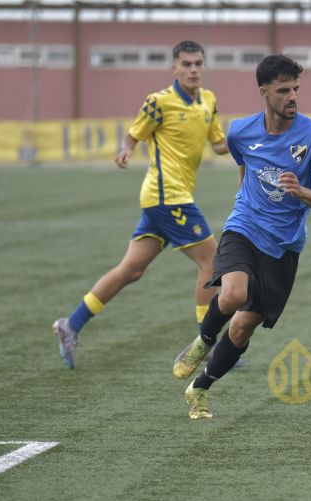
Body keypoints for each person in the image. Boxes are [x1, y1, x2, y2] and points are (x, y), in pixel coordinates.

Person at [172, 54, 311, 420]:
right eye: (283, 90)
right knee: (232, 294)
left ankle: (199, 389)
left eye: (296, 89)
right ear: (263, 92)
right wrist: (247, 203)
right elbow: (245, 165)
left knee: (244, 327)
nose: (292, 96)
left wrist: (301, 192)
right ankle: (204, 340)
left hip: (285, 246)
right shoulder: (240, 131)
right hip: (244, 227)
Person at [52, 40, 229, 369]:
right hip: (167, 196)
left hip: (168, 199)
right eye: (186, 64)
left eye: (198, 64)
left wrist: (250, 140)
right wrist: (126, 149)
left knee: (130, 270)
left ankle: (70, 324)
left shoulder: (209, 101)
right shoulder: (158, 102)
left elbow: (219, 145)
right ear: (174, 68)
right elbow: (133, 134)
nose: (193, 69)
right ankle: (208, 345)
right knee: (213, 263)